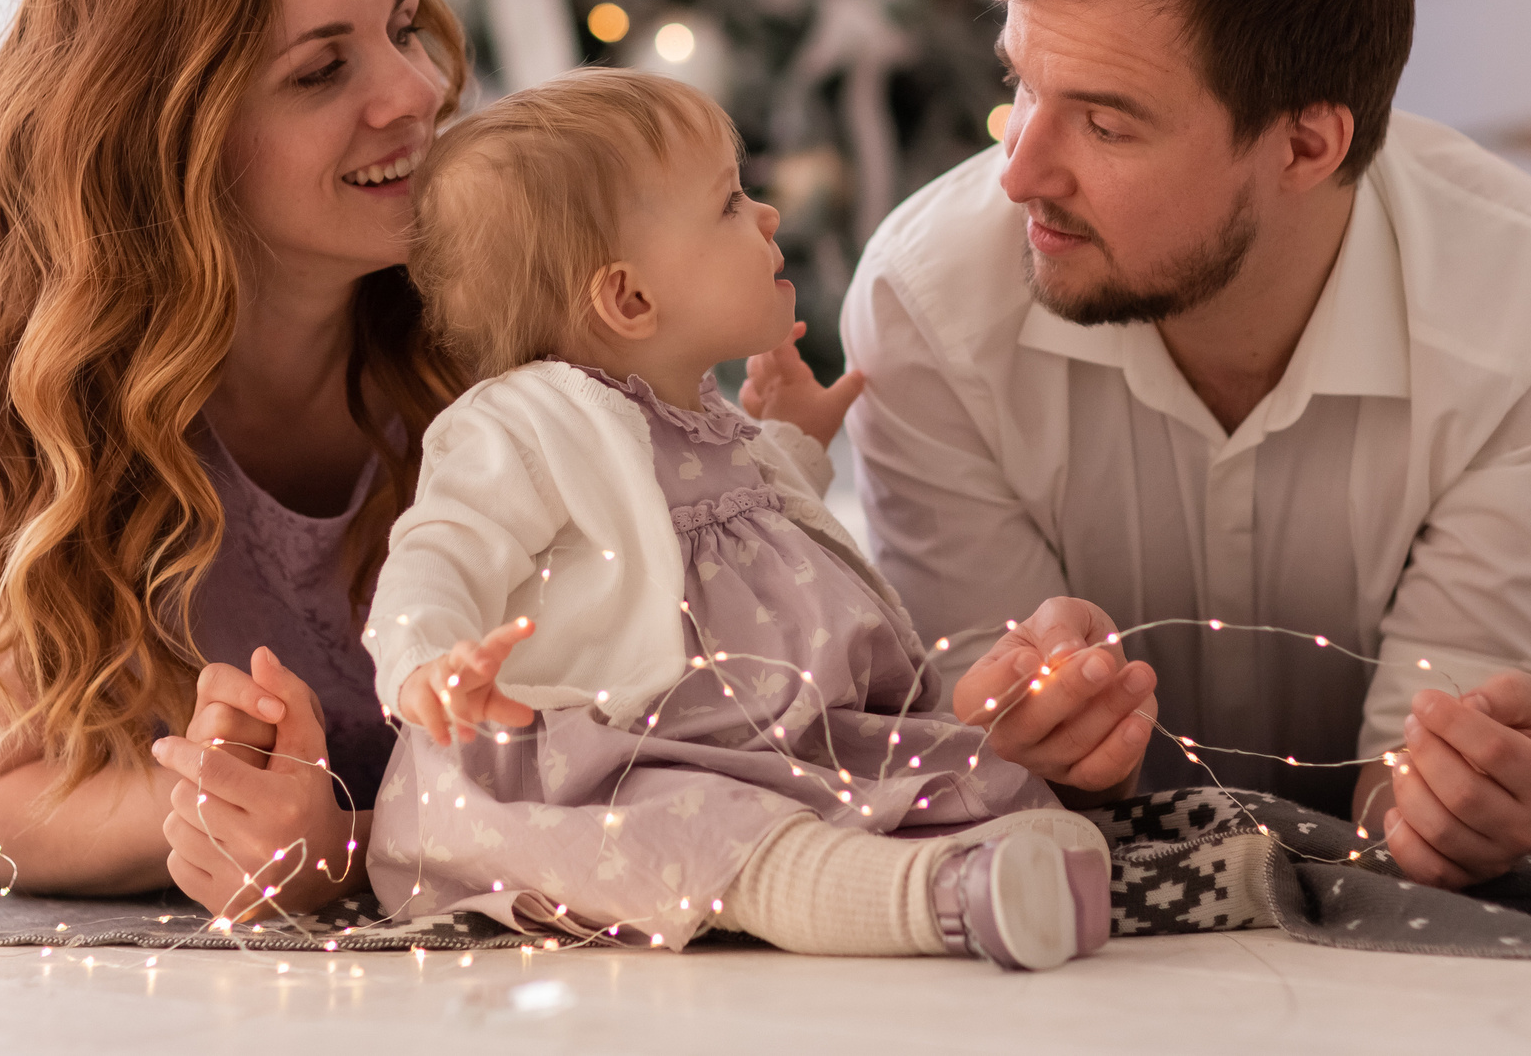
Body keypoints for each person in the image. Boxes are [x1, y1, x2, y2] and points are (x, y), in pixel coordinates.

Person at [841, 0, 1531, 890]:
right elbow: (1003, 780)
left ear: (1306, 145)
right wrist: (1037, 755)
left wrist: (1447, 810)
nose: (1019, 171)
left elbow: (1406, 795)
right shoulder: (928, 304)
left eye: (1106, 123)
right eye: (1021, 84)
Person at [364, 70, 1110, 971]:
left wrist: (791, 439)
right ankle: (929, 899)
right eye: (728, 203)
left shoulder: (699, 415)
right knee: (713, 832)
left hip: (767, 738)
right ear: (629, 300)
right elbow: (436, 553)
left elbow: (741, 519)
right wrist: (426, 662)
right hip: (610, 764)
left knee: (975, 775)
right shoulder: (525, 423)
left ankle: (1012, 871)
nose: (766, 214)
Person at [0, 0, 469, 918]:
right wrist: (227, 804)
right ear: (164, 133)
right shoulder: (18, 374)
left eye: (404, 28)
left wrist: (342, 844)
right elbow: (8, 803)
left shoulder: (498, 336)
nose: (417, 90)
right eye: (321, 70)